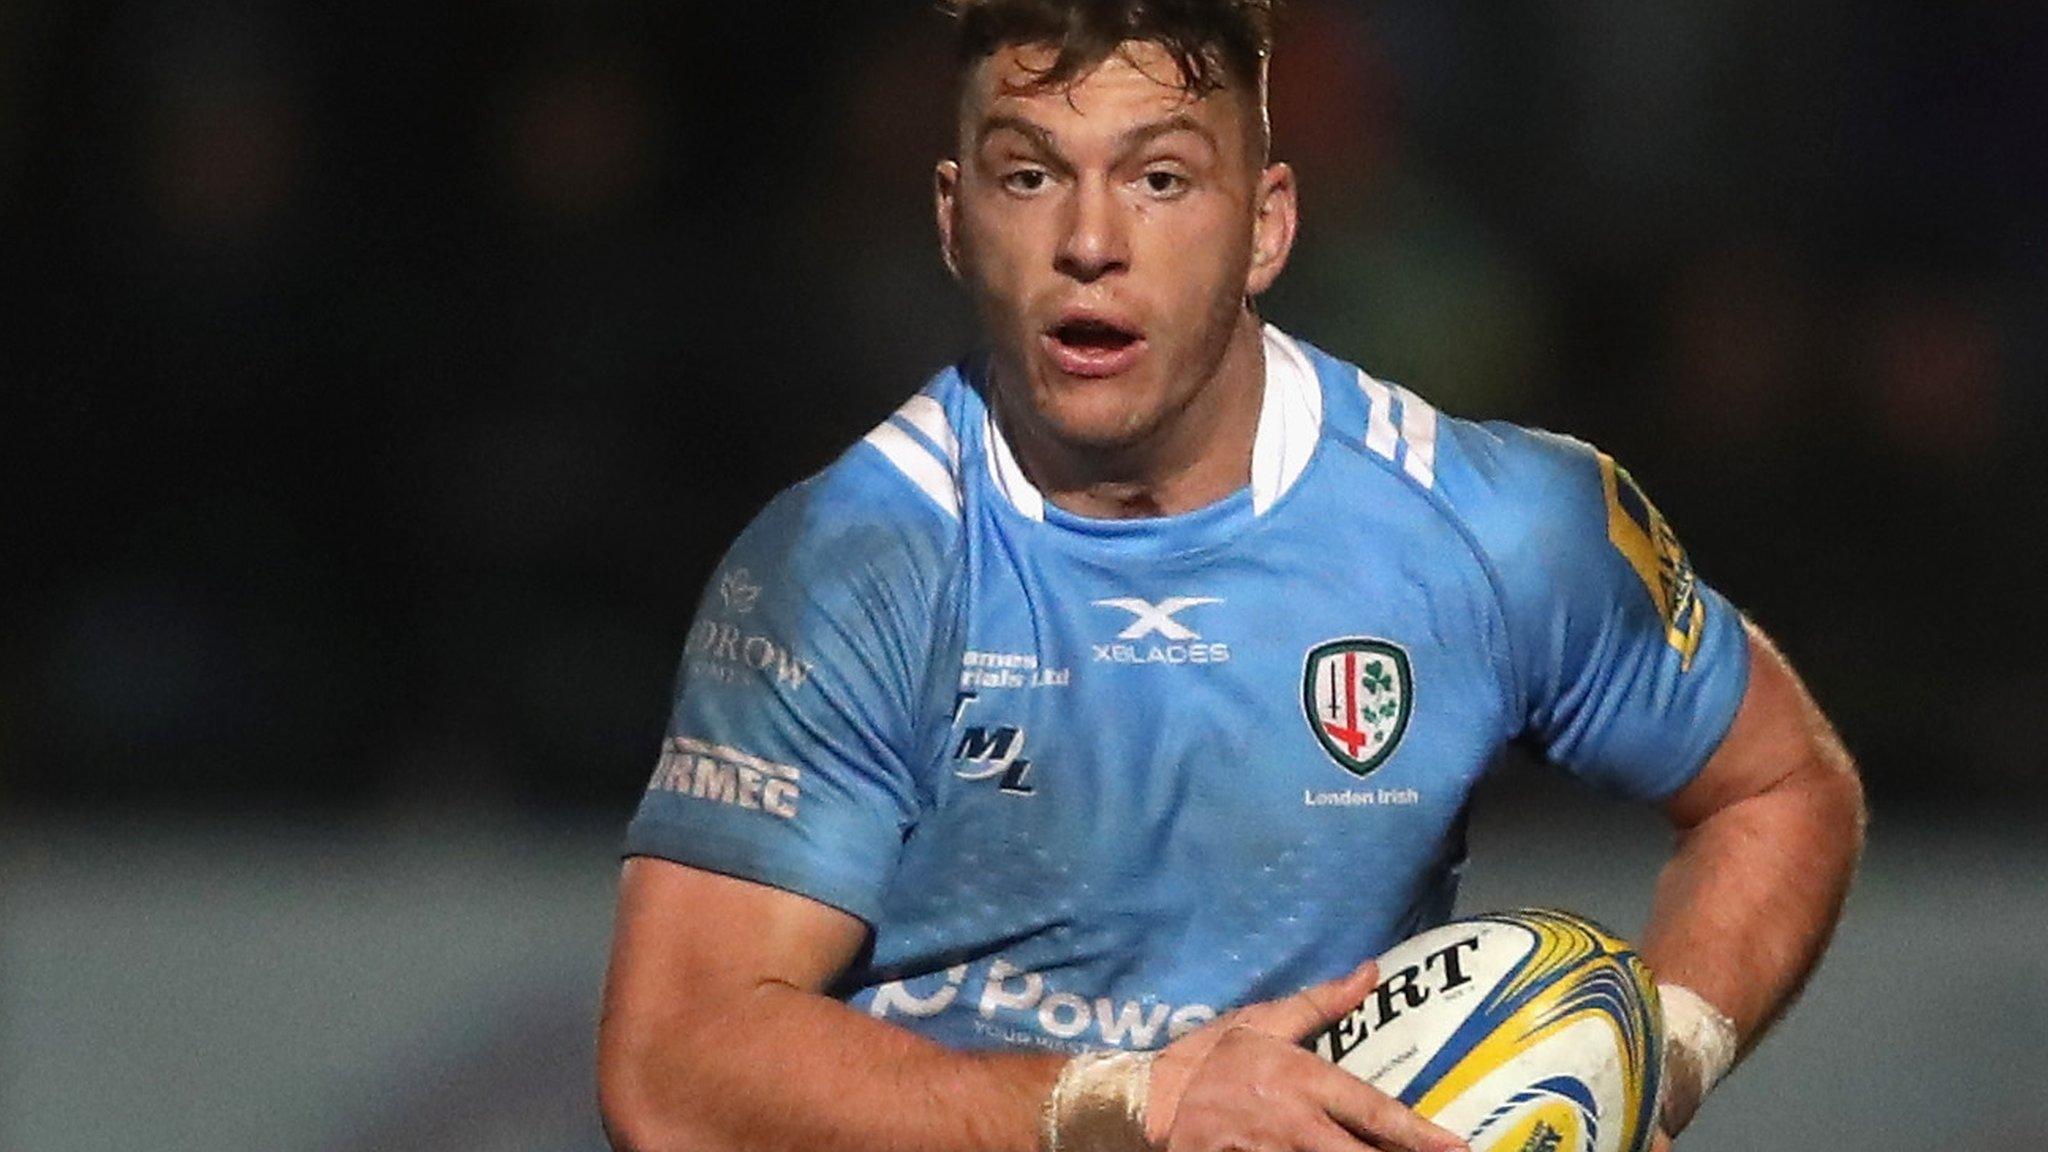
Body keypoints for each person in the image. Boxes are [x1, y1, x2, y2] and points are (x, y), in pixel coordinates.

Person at [597, 3, 1866, 1151]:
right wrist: (1125, 1103)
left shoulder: (1491, 526)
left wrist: (1655, 1063)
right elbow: (672, 1065)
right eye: (1028, 174)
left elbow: (1777, 790)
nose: (1087, 241)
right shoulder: (851, 562)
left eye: (1158, 179)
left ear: (1264, 224)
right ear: (951, 218)